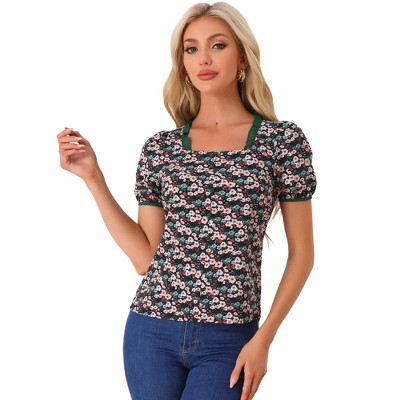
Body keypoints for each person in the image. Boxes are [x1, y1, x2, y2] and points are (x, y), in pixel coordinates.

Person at [57, 2, 317, 399]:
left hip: (230, 339)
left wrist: (264, 338)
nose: (203, 59)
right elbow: (145, 259)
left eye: (218, 45)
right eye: (191, 49)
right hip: (150, 332)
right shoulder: (160, 149)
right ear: (182, 63)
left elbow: (303, 254)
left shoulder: (281, 142)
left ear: (243, 57)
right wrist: (93, 178)